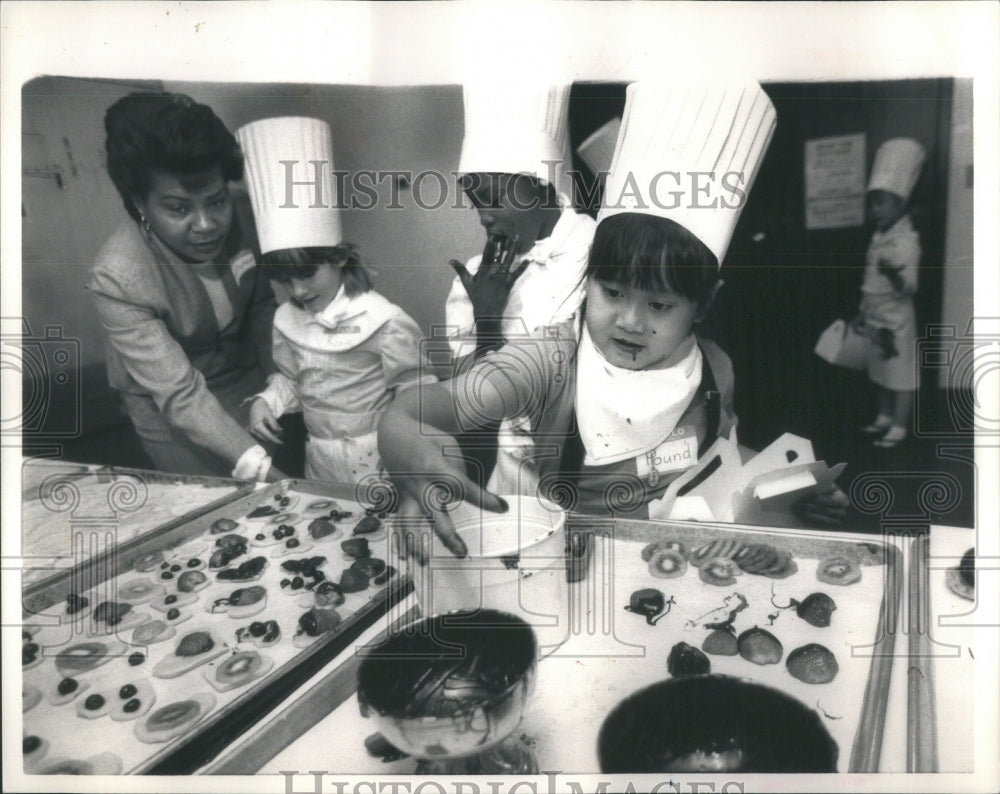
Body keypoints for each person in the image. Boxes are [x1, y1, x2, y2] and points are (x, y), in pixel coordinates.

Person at [379, 81, 848, 557]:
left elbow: (719, 457)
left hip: (675, 561)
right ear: (589, 280)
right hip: (573, 566)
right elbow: (426, 407)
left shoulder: (714, 368)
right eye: (613, 292)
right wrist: (400, 434)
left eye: (659, 305)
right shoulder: (551, 362)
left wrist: (785, 485)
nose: (630, 322)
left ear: (703, 306)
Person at [88, 92, 283, 481]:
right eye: (179, 208)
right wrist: (258, 465)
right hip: (169, 404)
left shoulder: (244, 210)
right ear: (140, 203)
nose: (207, 224)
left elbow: (262, 306)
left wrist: (278, 383)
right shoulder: (117, 275)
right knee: (219, 500)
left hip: (246, 377)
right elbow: (180, 395)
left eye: (216, 201)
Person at [236, 117, 430, 485]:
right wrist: (266, 401)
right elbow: (295, 380)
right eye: (285, 280)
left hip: (382, 457)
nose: (297, 291)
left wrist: (408, 449)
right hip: (320, 457)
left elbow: (416, 391)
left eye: (307, 274)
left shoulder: (384, 320)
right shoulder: (287, 320)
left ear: (339, 258)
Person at [445, 84, 597, 493]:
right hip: (511, 473)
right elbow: (472, 403)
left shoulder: (599, 250)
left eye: (493, 199)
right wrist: (486, 318)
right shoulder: (477, 279)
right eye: (476, 204)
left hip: (589, 469)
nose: (483, 218)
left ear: (540, 184)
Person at [857, 138, 925, 449]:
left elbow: (909, 286)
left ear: (900, 204)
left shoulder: (907, 241)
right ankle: (884, 416)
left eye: (881, 202)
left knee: (900, 373)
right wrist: (862, 311)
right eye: (871, 203)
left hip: (896, 318)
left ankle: (899, 425)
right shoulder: (877, 237)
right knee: (879, 369)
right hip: (874, 314)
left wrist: (893, 273)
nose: (874, 210)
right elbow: (869, 279)